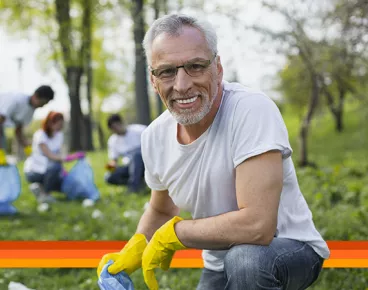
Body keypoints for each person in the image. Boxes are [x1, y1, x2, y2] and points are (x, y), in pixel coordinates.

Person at [97, 14, 330, 290]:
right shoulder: (154, 137)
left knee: (245, 260)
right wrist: (135, 247)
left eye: (195, 66)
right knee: (236, 261)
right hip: (219, 262)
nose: (182, 85)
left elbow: (258, 226)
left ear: (217, 68)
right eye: (167, 71)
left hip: (289, 249)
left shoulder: (250, 110)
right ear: (153, 80)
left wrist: (177, 233)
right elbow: (161, 209)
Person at [0, 85, 54, 165]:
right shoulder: (17, 99)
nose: (42, 106)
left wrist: (28, 149)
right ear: (35, 96)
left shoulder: (31, 111)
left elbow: (18, 131)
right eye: (42, 102)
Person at [23, 111, 66, 204]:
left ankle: (39, 189)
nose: (60, 127)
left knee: (62, 181)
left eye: (62, 124)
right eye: (58, 124)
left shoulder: (59, 135)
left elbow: (58, 153)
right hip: (34, 170)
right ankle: (45, 195)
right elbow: (49, 155)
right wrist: (65, 158)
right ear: (50, 123)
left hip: (47, 169)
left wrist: (64, 169)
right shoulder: (40, 135)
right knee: (55, 166)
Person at [104, 113, 147, 193]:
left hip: (146, 164)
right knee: (108, 177)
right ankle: (137, 183)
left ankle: (134, 187)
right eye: (113, 128)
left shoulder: (139, 130)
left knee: (136, 155)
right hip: (128, 166)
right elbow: (114, 160)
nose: (116, 129)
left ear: (122, 122)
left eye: (117, 125)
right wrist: (111, 166)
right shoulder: (113, 141)